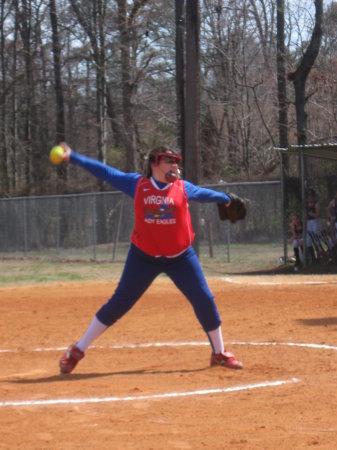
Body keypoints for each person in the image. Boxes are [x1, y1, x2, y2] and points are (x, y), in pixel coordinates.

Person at [57, 142, 243, 374]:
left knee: (204, 299)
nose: (175, 165)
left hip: (181, 257)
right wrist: (73, 156)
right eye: (169, 160)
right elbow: (105, 171)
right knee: (119, 304)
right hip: (143, 258)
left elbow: (204, 194)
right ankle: (77, 350)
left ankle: (219, 353)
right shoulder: (137, 185)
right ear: (154, 163)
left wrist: (224, 198)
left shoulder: (183, 188)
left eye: (176, 161)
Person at [304, 188, 322, 263]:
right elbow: (305, 214)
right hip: (309, 222)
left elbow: (318, 215)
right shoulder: (306, 204)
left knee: (316, 240)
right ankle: (313, 258)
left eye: (311, 196)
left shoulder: (316, 203)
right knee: (308, 241)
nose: (310, 198)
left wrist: (312, 214)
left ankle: (319, 256)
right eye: (308, 196)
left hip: (315, 222)